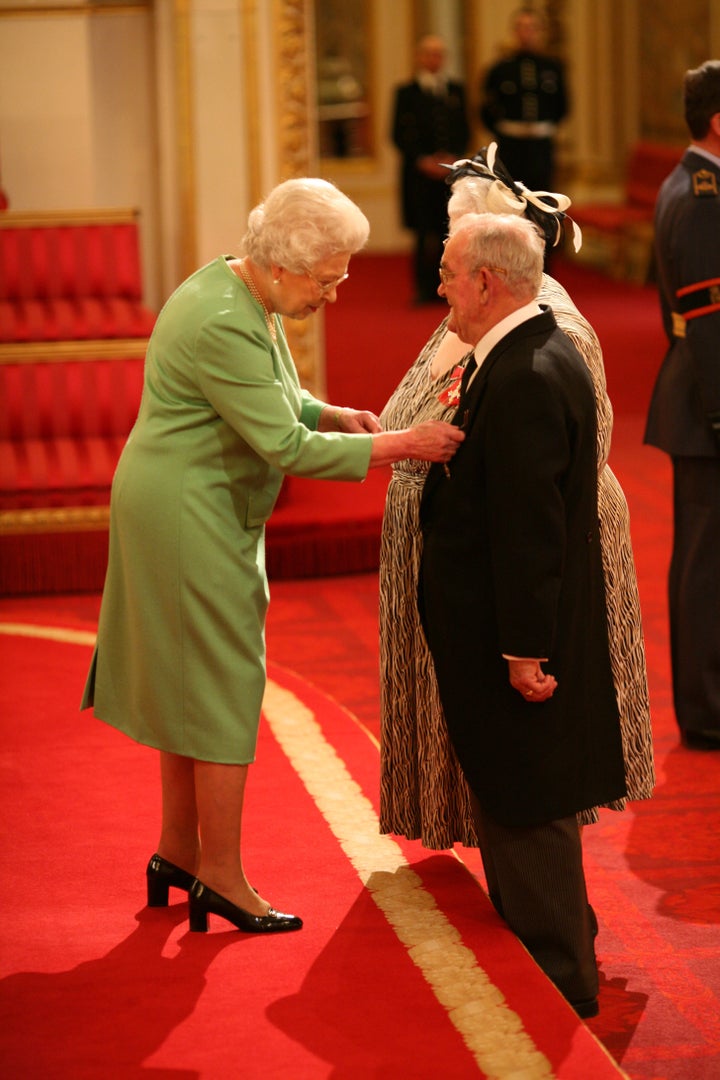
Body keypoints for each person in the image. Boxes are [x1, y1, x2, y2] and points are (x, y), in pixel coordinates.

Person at [80, 177, 464, 936]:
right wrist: (401, 444)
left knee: (190, 686)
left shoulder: (236, 286)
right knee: (220, 685)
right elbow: (284, 446)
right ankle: (220, 876)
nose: (333, 294)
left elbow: (275, 391)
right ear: (285, 264)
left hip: (190, 501)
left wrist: (332, 411)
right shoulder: (226, 316)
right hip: (189, 513)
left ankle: (177, 853)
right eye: (326, 280)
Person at [379, 147, 653, 852]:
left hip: (538, 542)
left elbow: (558, 464)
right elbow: (406, 409)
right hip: (482, 541)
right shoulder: (481, 312)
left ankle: (543, 888)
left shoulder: (546, 327)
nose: (441, 264)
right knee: (499, 738)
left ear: (488, 261)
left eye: (451, 249)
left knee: (541, 746)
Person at [417, 211, 626, 1016]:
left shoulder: (529, 374)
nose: (438, 283)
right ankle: (542, 970)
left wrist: (524, 651)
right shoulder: (521, 354)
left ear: (486, 282)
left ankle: (557, 992)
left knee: (528, 799)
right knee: (514, 795)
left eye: (447, 270)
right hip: (506, 634)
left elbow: (530, 528)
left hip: (518, 645)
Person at [645, 60, 720, 751]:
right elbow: (706, 318)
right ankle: (706, 710)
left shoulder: (695, 184)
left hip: (700, 399)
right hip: (707, 404)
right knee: (704, 564)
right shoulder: (702, 197)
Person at [392, 34, 470, 304]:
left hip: (448, 175)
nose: (433, 59)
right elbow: (397, 134)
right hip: (418, 176)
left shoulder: (456, 90)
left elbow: (464, 130)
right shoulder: (406, 93)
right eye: (428, 53)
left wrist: (452, 158)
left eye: (439, 53)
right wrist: (423, 160)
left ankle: (447, 287)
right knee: (422, 234)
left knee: (447, 232)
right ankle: (423, 289)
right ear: (419, 57)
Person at [479, 8, 568, 193]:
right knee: (510, 199)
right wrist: (503, 130)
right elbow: (485, 107)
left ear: (540, 32)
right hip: (511, 145)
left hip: (541, 146)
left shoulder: (552, 67)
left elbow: (563, 105)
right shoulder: (500, 69)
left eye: (532, 28)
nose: (526, 33)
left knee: (543, 200)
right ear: (514, 31)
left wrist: (545, 127)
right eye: (521, 27)